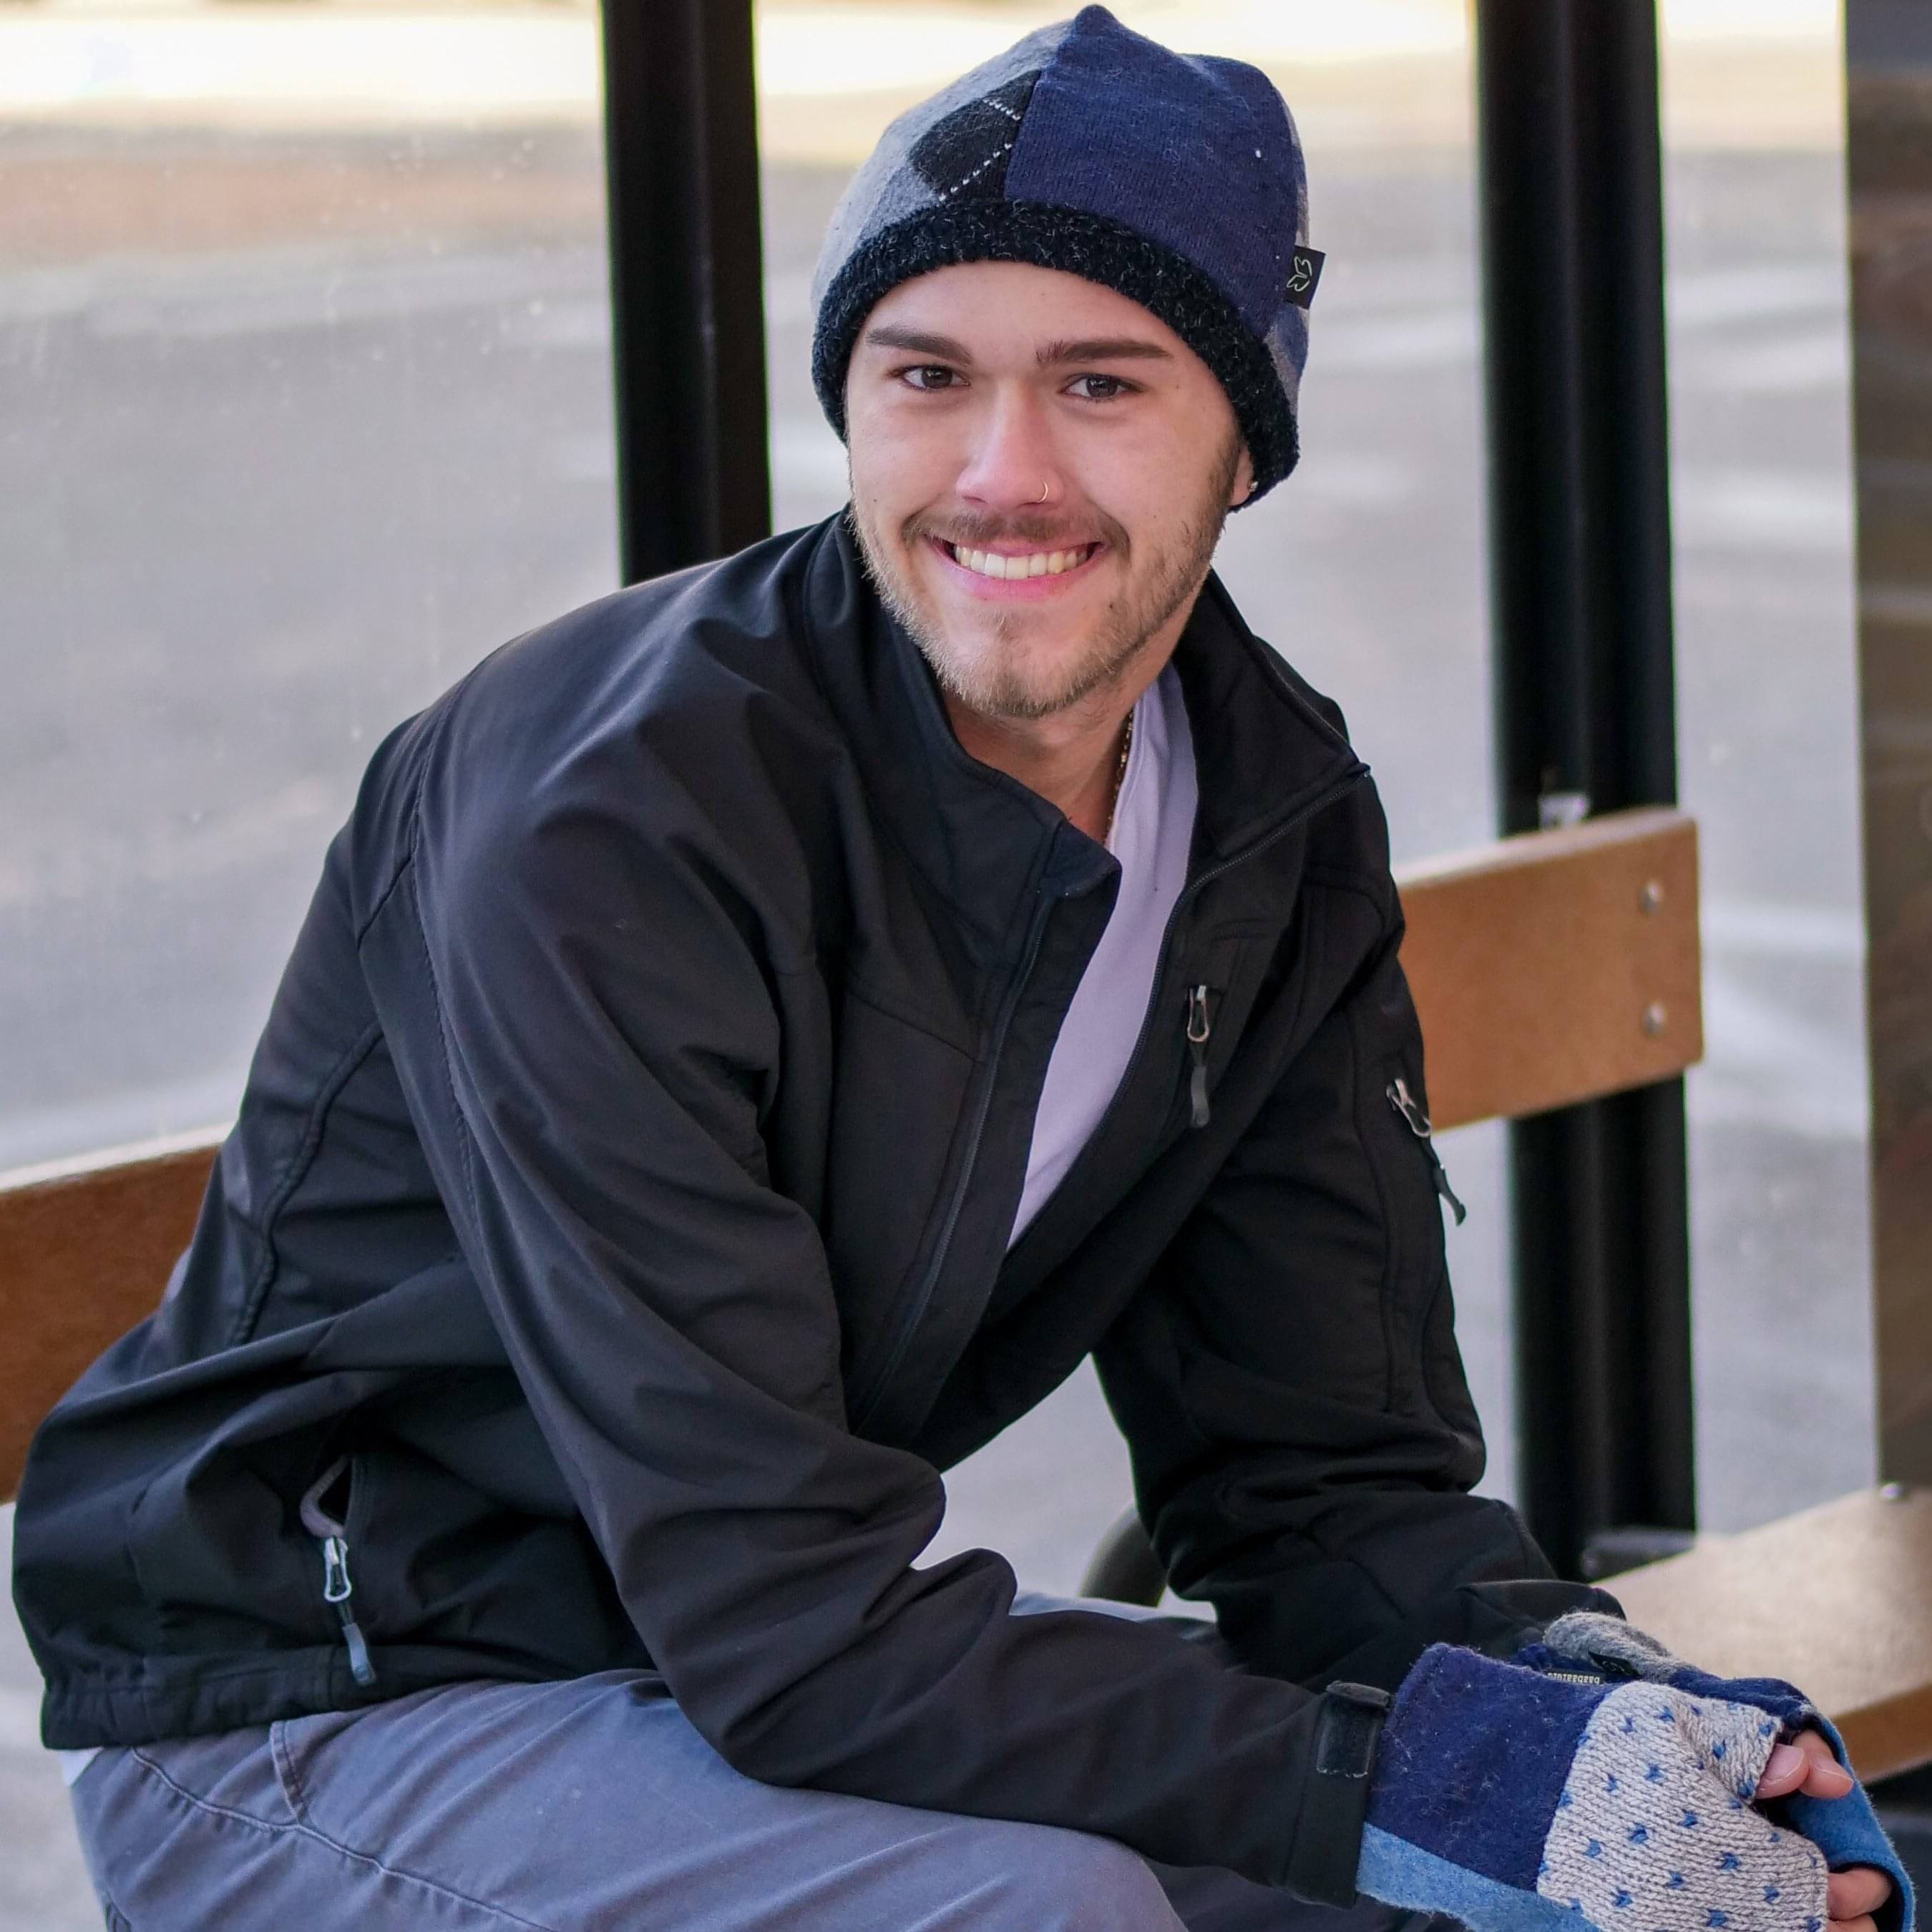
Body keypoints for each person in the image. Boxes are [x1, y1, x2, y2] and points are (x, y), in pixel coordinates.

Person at [10, 9, 1909, 1931]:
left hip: (725, 1672)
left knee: (1464, 1899)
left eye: (1101, 383)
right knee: (1061, 1916)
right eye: (927, 376)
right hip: (320, 1722)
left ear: (1241, 433)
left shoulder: (1259, 813)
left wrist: (1597, 1720)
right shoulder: (608, 817)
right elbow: (797, 1629)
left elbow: (1324, 1492)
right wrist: (1445, 1783)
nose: (999, 472)